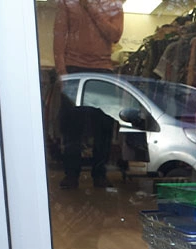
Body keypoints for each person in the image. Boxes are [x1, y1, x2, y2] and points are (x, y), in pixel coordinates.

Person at [54, 0, 124, 189]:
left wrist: (93, 8)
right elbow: (59, 37)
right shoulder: (67, 3)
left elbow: (115, 35)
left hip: (103, 70)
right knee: (72, 128)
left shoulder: (113, 4)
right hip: (74, 69)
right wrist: (62, 72)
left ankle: (99, 174)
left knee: (103, 127)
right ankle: (71, 175)